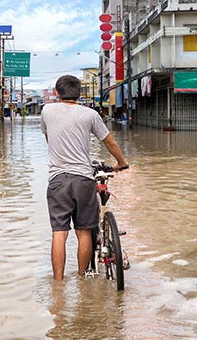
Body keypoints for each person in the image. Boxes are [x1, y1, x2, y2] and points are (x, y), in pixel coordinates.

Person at [41, 75, 129, 280]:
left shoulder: (46, 111)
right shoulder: (90, 114)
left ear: (56, 92)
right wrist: (122, 163)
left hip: (57, 181)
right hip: (83, 180)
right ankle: (83, 277)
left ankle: (58, 283)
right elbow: (111, 143)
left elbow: (48, 138)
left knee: (59, 233)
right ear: (80, 94)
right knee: (84, 232)